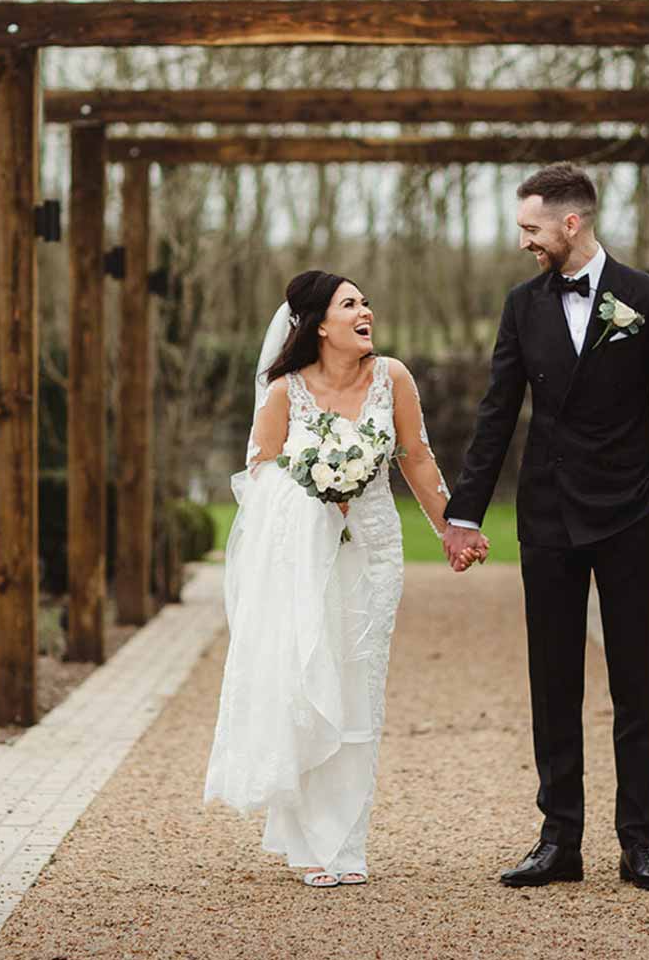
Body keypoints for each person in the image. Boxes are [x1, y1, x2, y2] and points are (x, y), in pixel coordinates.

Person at [442, 162, 649, 892]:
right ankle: (560, 841)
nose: (524, 241)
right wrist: (466, 511)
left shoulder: (648, 298)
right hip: (549, 513)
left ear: (571, 223)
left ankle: (639, 844)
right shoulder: (522, 305)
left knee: (635, 684)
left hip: (628, 515)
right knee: (553, 682)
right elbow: (497, 413)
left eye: (531, 228)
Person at [203, 269, 480, 888]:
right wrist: (317, 485)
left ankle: (347, 841)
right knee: (308, 677)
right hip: (304, 555)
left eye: (366, 302)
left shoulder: (394, 377)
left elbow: (417, 456)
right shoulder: (284, 392)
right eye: (350, 303)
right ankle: (305, 840)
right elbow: (259, 476)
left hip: (374, 549)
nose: (366, 312)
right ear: (318, 324)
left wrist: (451, 530)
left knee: (361, 682)